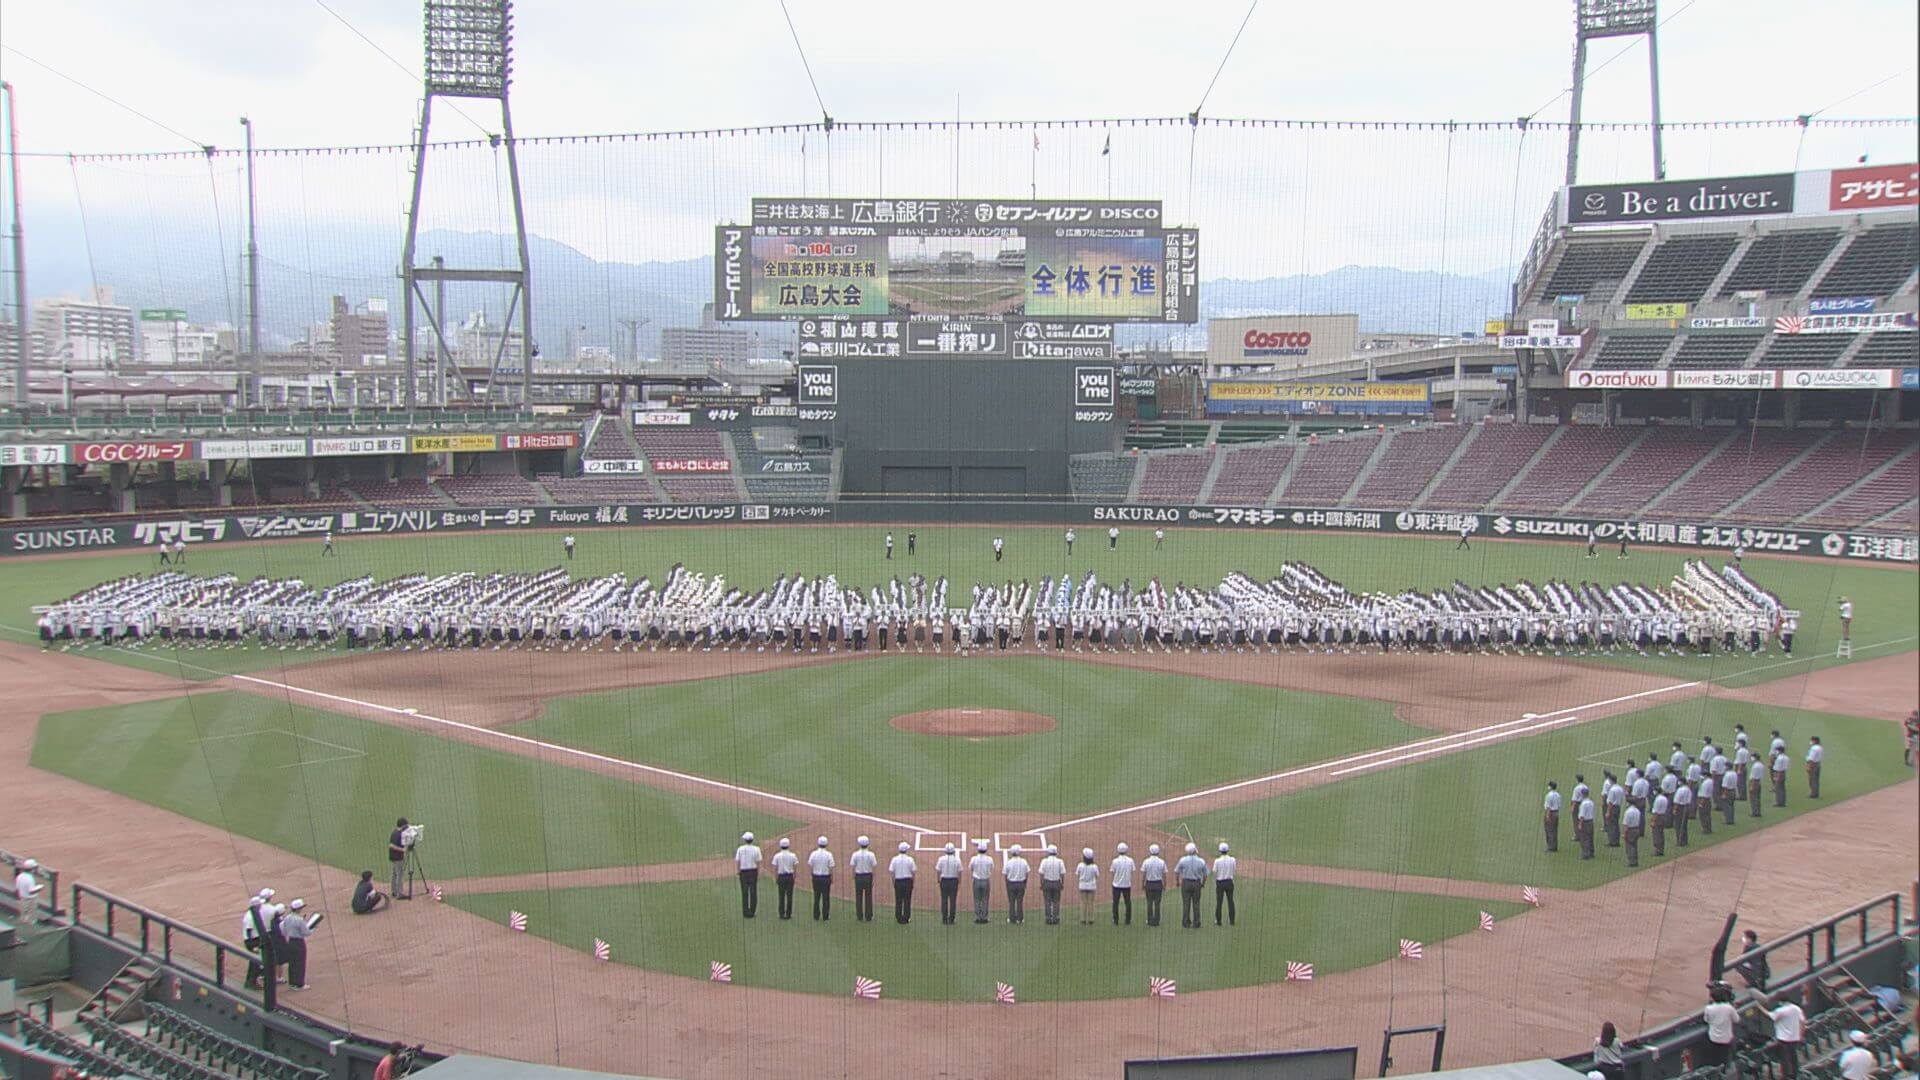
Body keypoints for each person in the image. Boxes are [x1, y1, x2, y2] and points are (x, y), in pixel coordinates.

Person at [1762, 990, 1804, 1078]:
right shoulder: (1796, 1008)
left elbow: (1770, 1016)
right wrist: (1800, 1035)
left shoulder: (1780, 1011)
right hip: (1794, 1038)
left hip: (1783, 1039)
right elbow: (1803, 1022)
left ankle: (1786, 1076)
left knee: (1785, 1060)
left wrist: (1759, 1007)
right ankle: (1795, 1075)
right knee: (1793, 1058)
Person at [279, 898, 315, 989]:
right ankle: (299, 983)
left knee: (292, 963)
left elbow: (282, 930)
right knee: (300, 963)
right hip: (299, 942)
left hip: (290, 941)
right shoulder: (299, 920)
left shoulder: (287, 918)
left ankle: (292, 982)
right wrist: (313, 928)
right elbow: (306, 932)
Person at [1175, 843, 1208, 929]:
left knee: (1186, 903)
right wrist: (1203, 883)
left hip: (1186, 883)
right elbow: (1205, 874)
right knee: (1196, 903)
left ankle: (1186, 923)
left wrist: (1177, 882)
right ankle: (1196, 923)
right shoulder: (1201, 861)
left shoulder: (1182, 860)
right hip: (1196, 883)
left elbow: (1177, 872)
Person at [849, 836, 877, 923]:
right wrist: (873, 878)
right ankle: (868, 916)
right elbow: (873, 867)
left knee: (858, 896)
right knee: (868, 896)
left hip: (859, 876)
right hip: (868, 876)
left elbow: (853, 867)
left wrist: (854, 876)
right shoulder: (871, 854)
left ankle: (859, 916)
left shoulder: (855, 854)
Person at [734, 832, 762, 918]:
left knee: (744, 892)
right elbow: (758, 861)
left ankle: (746, 912)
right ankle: (752, 911)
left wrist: (738, 870)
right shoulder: (757, 849)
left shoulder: (740, 849)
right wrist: (758, 871)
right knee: (753, 891)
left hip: (744, 872)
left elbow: (738, 861)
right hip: (753, 871)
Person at [1037, 844, 1067, 925]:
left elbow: (1041, 873)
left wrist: (1041, 883)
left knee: (1047, 901)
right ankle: (1056, 918)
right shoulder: (1060, 861)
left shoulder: (1044, 861)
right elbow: (1062, 874)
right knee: (1056, 901)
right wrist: (1062, 883)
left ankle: (1048, 918)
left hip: (1047, 882)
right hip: (1056, 882)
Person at [770, 838, 799, 920]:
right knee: (790, 896)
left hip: (781, 876)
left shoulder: (777, 856)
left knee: (781, 896)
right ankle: (788, 914)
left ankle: (781, 914)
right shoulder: (793, 855)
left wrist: (776, 877)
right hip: (789, 876)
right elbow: (795, 867)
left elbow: (775, 868)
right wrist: (794, 876)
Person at [807, 837, 834, 921]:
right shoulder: (829, 854)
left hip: (816, 877)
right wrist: (831, 877)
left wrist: (812, 874)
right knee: (826, 897)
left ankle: (816, 915)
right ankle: (825, 916)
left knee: (816, 896)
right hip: (826, 877)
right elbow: (831, 867)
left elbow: (811, 865)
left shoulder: (813, 853)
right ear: (826, 844)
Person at [888, 842, 916, 925]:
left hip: (898, 881)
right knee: (907, 900)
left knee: (898, 900)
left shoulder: (894, 859)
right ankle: (906, 918)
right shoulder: (910, 859)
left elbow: (892, 872)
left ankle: (899, 917)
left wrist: (894, 882)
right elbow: (913, 872)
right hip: (908, 881)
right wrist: (912, 883)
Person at [935, 842, 963, 924]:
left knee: (944, 900)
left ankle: (944, 918)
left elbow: (938, 871)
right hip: (954, 881)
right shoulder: (957, 859)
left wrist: (938, 880)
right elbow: (959, 872)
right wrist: (959, 882)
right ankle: (951, 919)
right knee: (953, 900)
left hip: (944, 880)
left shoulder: (941, 859)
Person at [968, 840, 995, 924]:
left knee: (977, 899)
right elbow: (991, 868)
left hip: (976, 881)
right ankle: (984, 917)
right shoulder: (989, 859)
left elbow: (970, 868)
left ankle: (978, 917)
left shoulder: (974, 859)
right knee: (985, 899)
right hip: (986, 880)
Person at [1141, 843, 1168, 925]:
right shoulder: (1162, 862)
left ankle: (1149, 920)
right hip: (1158, 883)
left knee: (1149, 903)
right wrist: (1164, 885)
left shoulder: (1146, 861)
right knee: (1157, 903)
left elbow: (1144, 875)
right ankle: (1156, 920)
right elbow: (1164, 875)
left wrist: (1142, 884)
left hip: (1149, 883)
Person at [1002, 845, 1030, 925]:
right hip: (1021, 883)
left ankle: (1012, 919)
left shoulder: (1008, 862)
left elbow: (1005, 875)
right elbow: (1027, 873)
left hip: (1011, 884)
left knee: (1011, 902)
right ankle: (1020, 919)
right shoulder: (1024, 861)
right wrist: (1025, 883)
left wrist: (1007, 884)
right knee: (1019, 901)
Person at [1109, 843, 1135, 926]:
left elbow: (1112, 872)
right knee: (1128, 902)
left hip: (1116, 885)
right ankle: (1128, 920)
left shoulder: (1115, 861)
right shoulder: (1130, 860)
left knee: (1115, 902)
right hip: (1127, 884)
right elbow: (1132, 870)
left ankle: (1115, 920)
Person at [1212, 842, 1237, 926]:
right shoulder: (1233, 859)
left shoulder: (1217, 861)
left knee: (1219, 902)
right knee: (1230, 901)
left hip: (1220, 882)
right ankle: (1232, 920)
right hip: (1229, 881)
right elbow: (1234, 870)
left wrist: (1217, 878)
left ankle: (1218, 921)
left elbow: (1214, 872)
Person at [1075, 848, 1100, 924]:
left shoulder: (1080, 865)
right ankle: (1091, 919)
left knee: (1083, 902)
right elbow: (1097, 876)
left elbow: (1078, 875)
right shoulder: (1094, 866)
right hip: (1091, 886)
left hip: (1082, 885)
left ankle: (1083, 919)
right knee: (1091, 903)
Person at [388, 819, 410, 899]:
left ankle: (394, 891)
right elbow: (391, 845)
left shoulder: (396, 832)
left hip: (393, 856)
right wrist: (403, 850)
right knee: (399, 875)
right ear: (403, 825)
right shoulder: (397, 834)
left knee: (394, 874)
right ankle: (399, 894)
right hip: (397, 857)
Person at [1543, 780, 1562, 853]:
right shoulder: (1558, 794)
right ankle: (1554, 845)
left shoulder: (1549, 795)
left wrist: (1547, 815)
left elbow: (1548, 807)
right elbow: (1559, 805)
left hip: (1551, 813)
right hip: (1556, 813)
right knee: (1554, 830)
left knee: (1549, 830)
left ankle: (1551, 847)